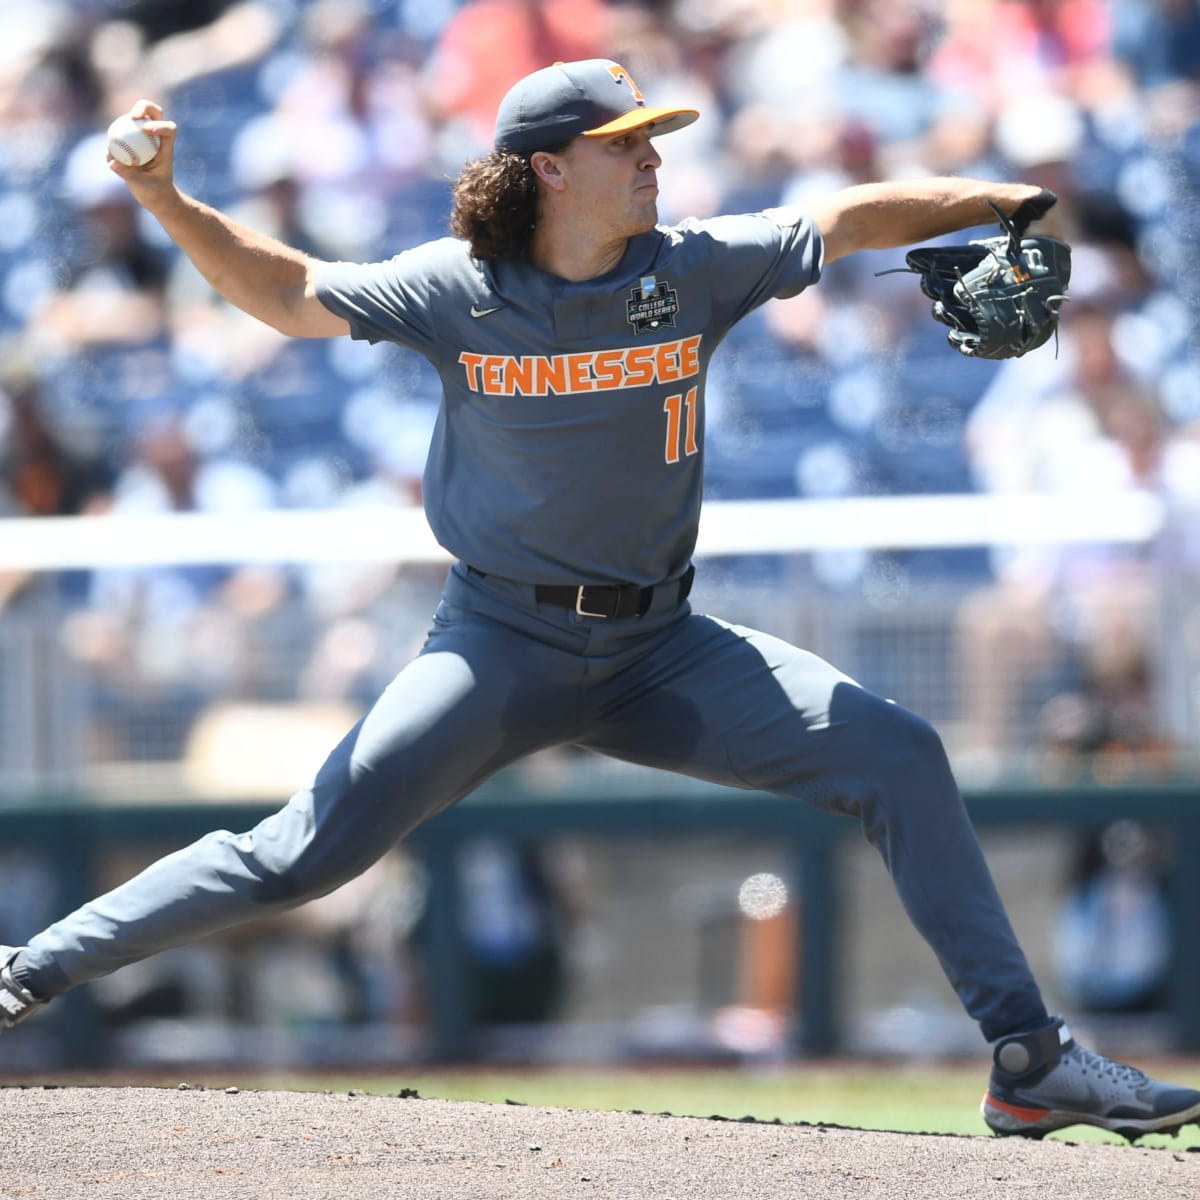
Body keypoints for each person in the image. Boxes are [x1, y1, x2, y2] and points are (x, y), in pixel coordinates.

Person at [1, 58, 1197, 1142]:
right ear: (548, 169)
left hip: (662, 648)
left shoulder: (692, 268)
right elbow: (285, 293)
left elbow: (845, 215)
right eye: (627, 142)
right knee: (302, 855)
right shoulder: (458, 288)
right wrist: (163, 196)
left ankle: (1028, 1060)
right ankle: (26, 970)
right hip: (499, 643)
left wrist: (996, 199)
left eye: (653, 137)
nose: (654, 157)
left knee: (897, 754)